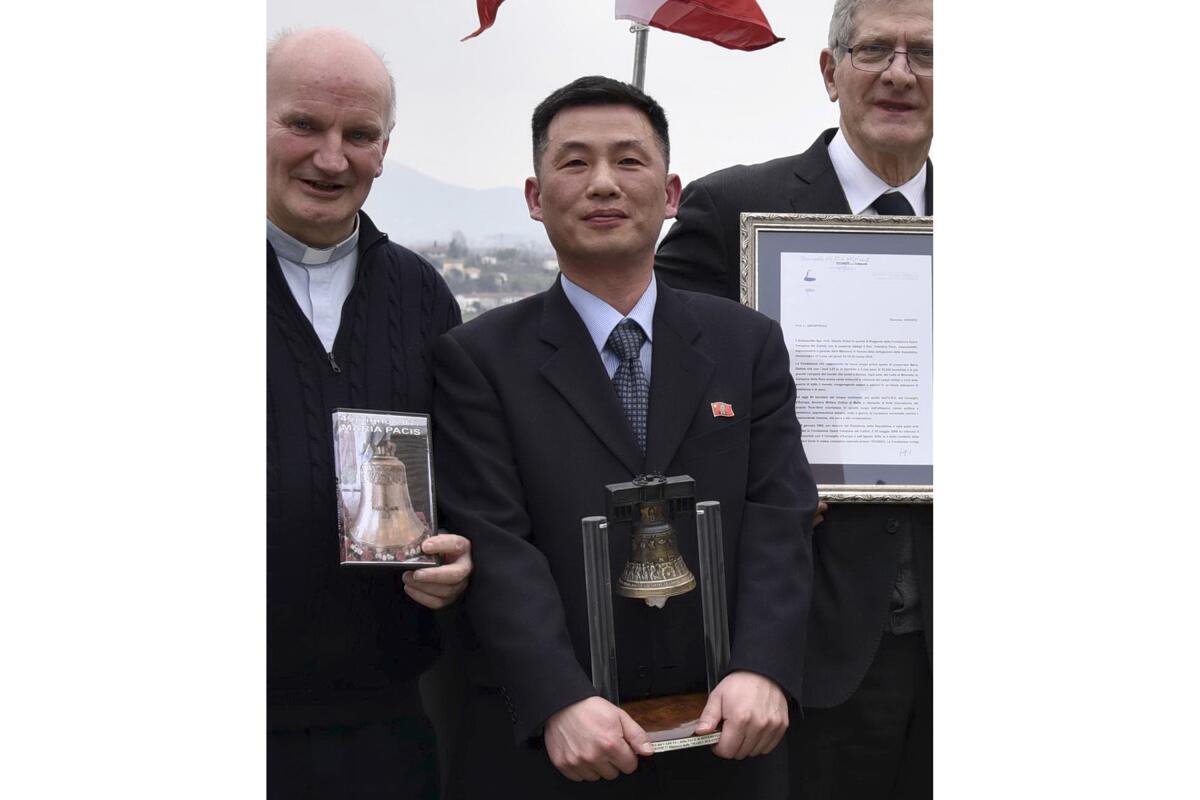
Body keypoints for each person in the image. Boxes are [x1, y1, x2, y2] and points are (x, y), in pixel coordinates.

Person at [432, 76, 817, 800]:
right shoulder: (478, 359)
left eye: (629, 161)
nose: (603, 184)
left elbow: (779, 515)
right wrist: (556, 698)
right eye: (574, 162)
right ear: (534, 197)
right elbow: (497, 542)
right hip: (558, 747)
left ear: (671, 194)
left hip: (727, 734)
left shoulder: (748, 344)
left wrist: (762, 668)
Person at [655, 1, 933, 798]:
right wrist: (755, 469)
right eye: (875, 48)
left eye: (926, 54)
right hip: (797, 651)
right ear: (829, 70)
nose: (900, 74)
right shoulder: (734, 210)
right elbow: (649, 384)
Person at [266, 28, 472, 799]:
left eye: (359, 135)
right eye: (302, 125)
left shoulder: (423, 296)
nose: (331, 158)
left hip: (383, 723)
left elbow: (462, 474)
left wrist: (457, 555)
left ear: (386, 148)